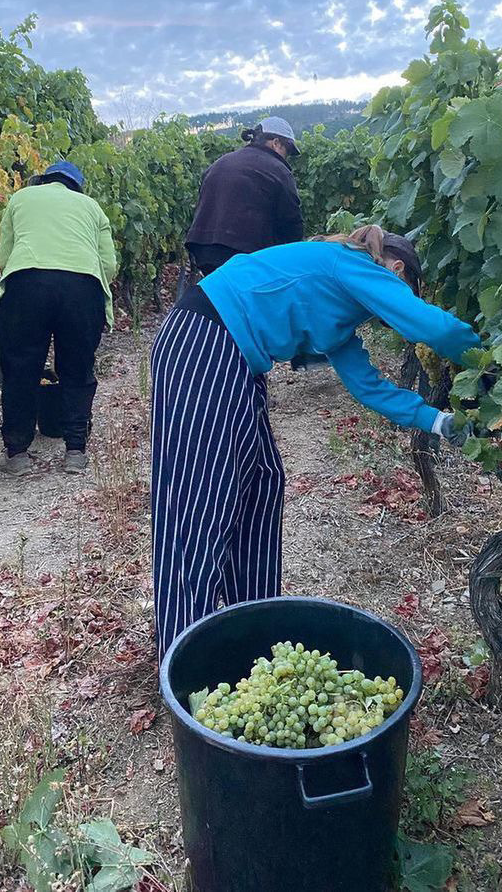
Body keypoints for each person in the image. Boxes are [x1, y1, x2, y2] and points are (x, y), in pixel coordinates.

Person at [150, 225, 480, 659]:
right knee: (200, 505)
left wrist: (438, 422)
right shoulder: (353, 263)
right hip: (205, 341)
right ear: (395, 270)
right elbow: (431, 327)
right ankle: (184, 657)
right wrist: (486, 362)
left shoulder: (341, 317)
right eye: (405, 291)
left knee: (261, 484)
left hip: (233, 358)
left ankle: (252, 634)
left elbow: (369, 387)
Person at [0, 161, 117, 476]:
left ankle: (18, 454)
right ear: (77, 185)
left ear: (44, 180)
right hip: (81, 287)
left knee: (21, 368)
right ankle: (75, 451)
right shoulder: (91, 207)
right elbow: (109, 264)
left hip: (27, 283)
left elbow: (5, 257)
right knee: (77, 368)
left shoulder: (20, 198)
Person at [184, 116, 304, 276]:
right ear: (276, 143)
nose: (286, 157)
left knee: (220, 296)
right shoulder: (278, 169)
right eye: (286, 151)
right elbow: (291, 223)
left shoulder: (220, 162)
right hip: (243, 254)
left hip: (202, 249)